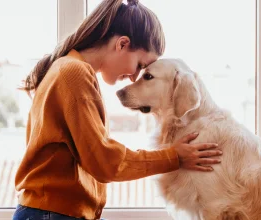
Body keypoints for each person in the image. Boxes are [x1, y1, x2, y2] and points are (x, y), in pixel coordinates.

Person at [12, 0, 222, 219]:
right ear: (122, 44)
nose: (134, 77)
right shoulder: (73, 73)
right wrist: (173, 157)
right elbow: (104, 161)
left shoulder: (70, 69)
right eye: (140, 65)